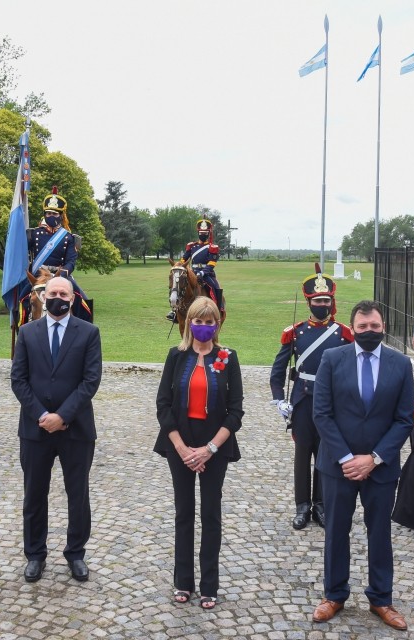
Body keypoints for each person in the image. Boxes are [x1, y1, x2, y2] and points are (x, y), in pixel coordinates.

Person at [311, 300, 414, 630]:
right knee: (336, 531)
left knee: (380, 533)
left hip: (380, 466)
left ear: (383, 326)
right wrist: (347, 458)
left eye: (374, 326)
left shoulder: (401, 364)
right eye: (362, 327)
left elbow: (404, 419)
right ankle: (334, 594)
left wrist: (373, 458)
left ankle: (381, 599)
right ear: (352, 328)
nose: (368, 331)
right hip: (338, 465)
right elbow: (322, 414)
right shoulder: (332, 359)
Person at [10, 276, 102, 583]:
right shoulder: (26, 332)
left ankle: (75, 553)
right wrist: (41, 415)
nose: (58, 298)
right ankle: (35, 554)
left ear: (73, 298)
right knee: (34, 495)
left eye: (63, 293)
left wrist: (62, 416)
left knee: (78, 495)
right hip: (35, 430)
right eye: (53, 293)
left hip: (76, 429)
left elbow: (90, 381)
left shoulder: (89, 332)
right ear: (42, 296)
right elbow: (18, 380)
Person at [155, 297, 244, 610]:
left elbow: (235, 413)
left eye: (209, 322)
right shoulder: (175, 356)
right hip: (179, 444)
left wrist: (208, 450)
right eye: (199, 321)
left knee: (210, 515)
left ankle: (209, 585)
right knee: (184, 513)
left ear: (216, 324)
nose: (204, 327)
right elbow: (163, 405)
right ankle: (183, 582)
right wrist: (182, 449)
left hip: (214, 447)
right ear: (189, 323)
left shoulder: (228, 358)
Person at [269, 266, 353, 530]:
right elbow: (278, 369)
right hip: (303, 400)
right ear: (309, 302)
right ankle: (302, 506)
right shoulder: (295, 331)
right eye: (317, 301)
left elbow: (351, 370)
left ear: (332, 302)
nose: (322, 305)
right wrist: (279, 399)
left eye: (326, 301)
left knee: (326, 454)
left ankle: (321, 505)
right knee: (303, 453)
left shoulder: (343, 333)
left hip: (331, 402)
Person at [27, 186, 93, 321]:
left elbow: (71, 262)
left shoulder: (68, 237)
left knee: (83, 300)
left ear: (61, 215)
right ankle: (21, 333)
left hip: (61, 275)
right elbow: (24, 255)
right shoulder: (34, 234)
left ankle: (84, 332)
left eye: (55, 214)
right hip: (38, 274)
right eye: (49, 213)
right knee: (21, 300)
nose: (52, 216)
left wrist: (61, 274)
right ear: (45, 214)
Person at [167, 220, 223, 321]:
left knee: (215, 287)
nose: (203, 235)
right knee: (179, 285)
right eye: (201, 233)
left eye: (205, 233)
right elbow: (184, 259)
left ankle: (219, 310)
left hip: (207, 274)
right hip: (192, 272)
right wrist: (179, 265)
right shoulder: (192, 246)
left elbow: (212, 263)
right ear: (198, 233)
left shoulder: (212, 247)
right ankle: (175, 311)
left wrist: (202, 272)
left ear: (208, 234)